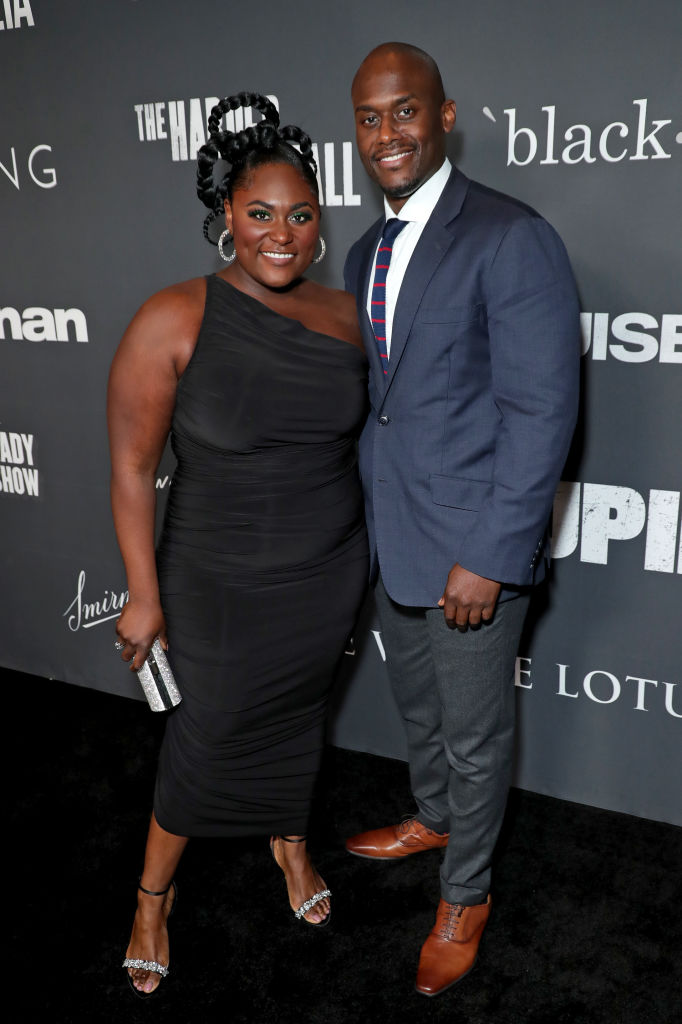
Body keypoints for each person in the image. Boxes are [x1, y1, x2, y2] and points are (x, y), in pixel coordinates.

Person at [108, 92, 368, 997]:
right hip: (215, 578)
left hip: (327, 569)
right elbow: (133, 469)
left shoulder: (350, 317)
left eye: (300, 215)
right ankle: (152, 898)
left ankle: (290, 847)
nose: (281, 235)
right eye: (260, 214)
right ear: (227, 214)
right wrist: (143, 594)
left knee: (299, 718)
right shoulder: (172, 316)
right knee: (205, 736)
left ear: (320, 220)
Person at [343, 44, 580, 996]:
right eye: (369, 118)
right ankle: (434, 818)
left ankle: (466, 895)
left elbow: (542, 412)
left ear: (444, 116)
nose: (387, 133)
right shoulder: (364, 252)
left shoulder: (510, 236)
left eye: (405, 110)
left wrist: (492, 553)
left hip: (473, 549)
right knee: (420, 711)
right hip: (393, 536)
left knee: (476, 737)